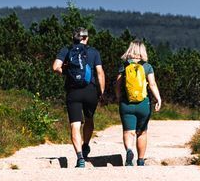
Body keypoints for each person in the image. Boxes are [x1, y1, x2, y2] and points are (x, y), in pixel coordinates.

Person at [51, 27, 105, 168]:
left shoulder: (66, 50)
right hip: (90, 91)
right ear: (86, 38)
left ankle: (80, 157)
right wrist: (101, 91)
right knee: (89, 119)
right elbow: (100, 72)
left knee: (75, 125)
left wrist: (67, 72)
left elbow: (55, 67)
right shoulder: (93, 52)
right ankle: (86, 145)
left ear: (73, 38)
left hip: (73, 91)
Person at [115, 42, 165, 166]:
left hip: (127, 103)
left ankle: (129, 150)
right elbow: (152, 84)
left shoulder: (124, 65)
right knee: (142, 132)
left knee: (128, 131)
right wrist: (158, 99)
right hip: (144, 104)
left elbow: (118, 84)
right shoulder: (147, 67)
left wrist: (119, 97)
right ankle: (141, 160)